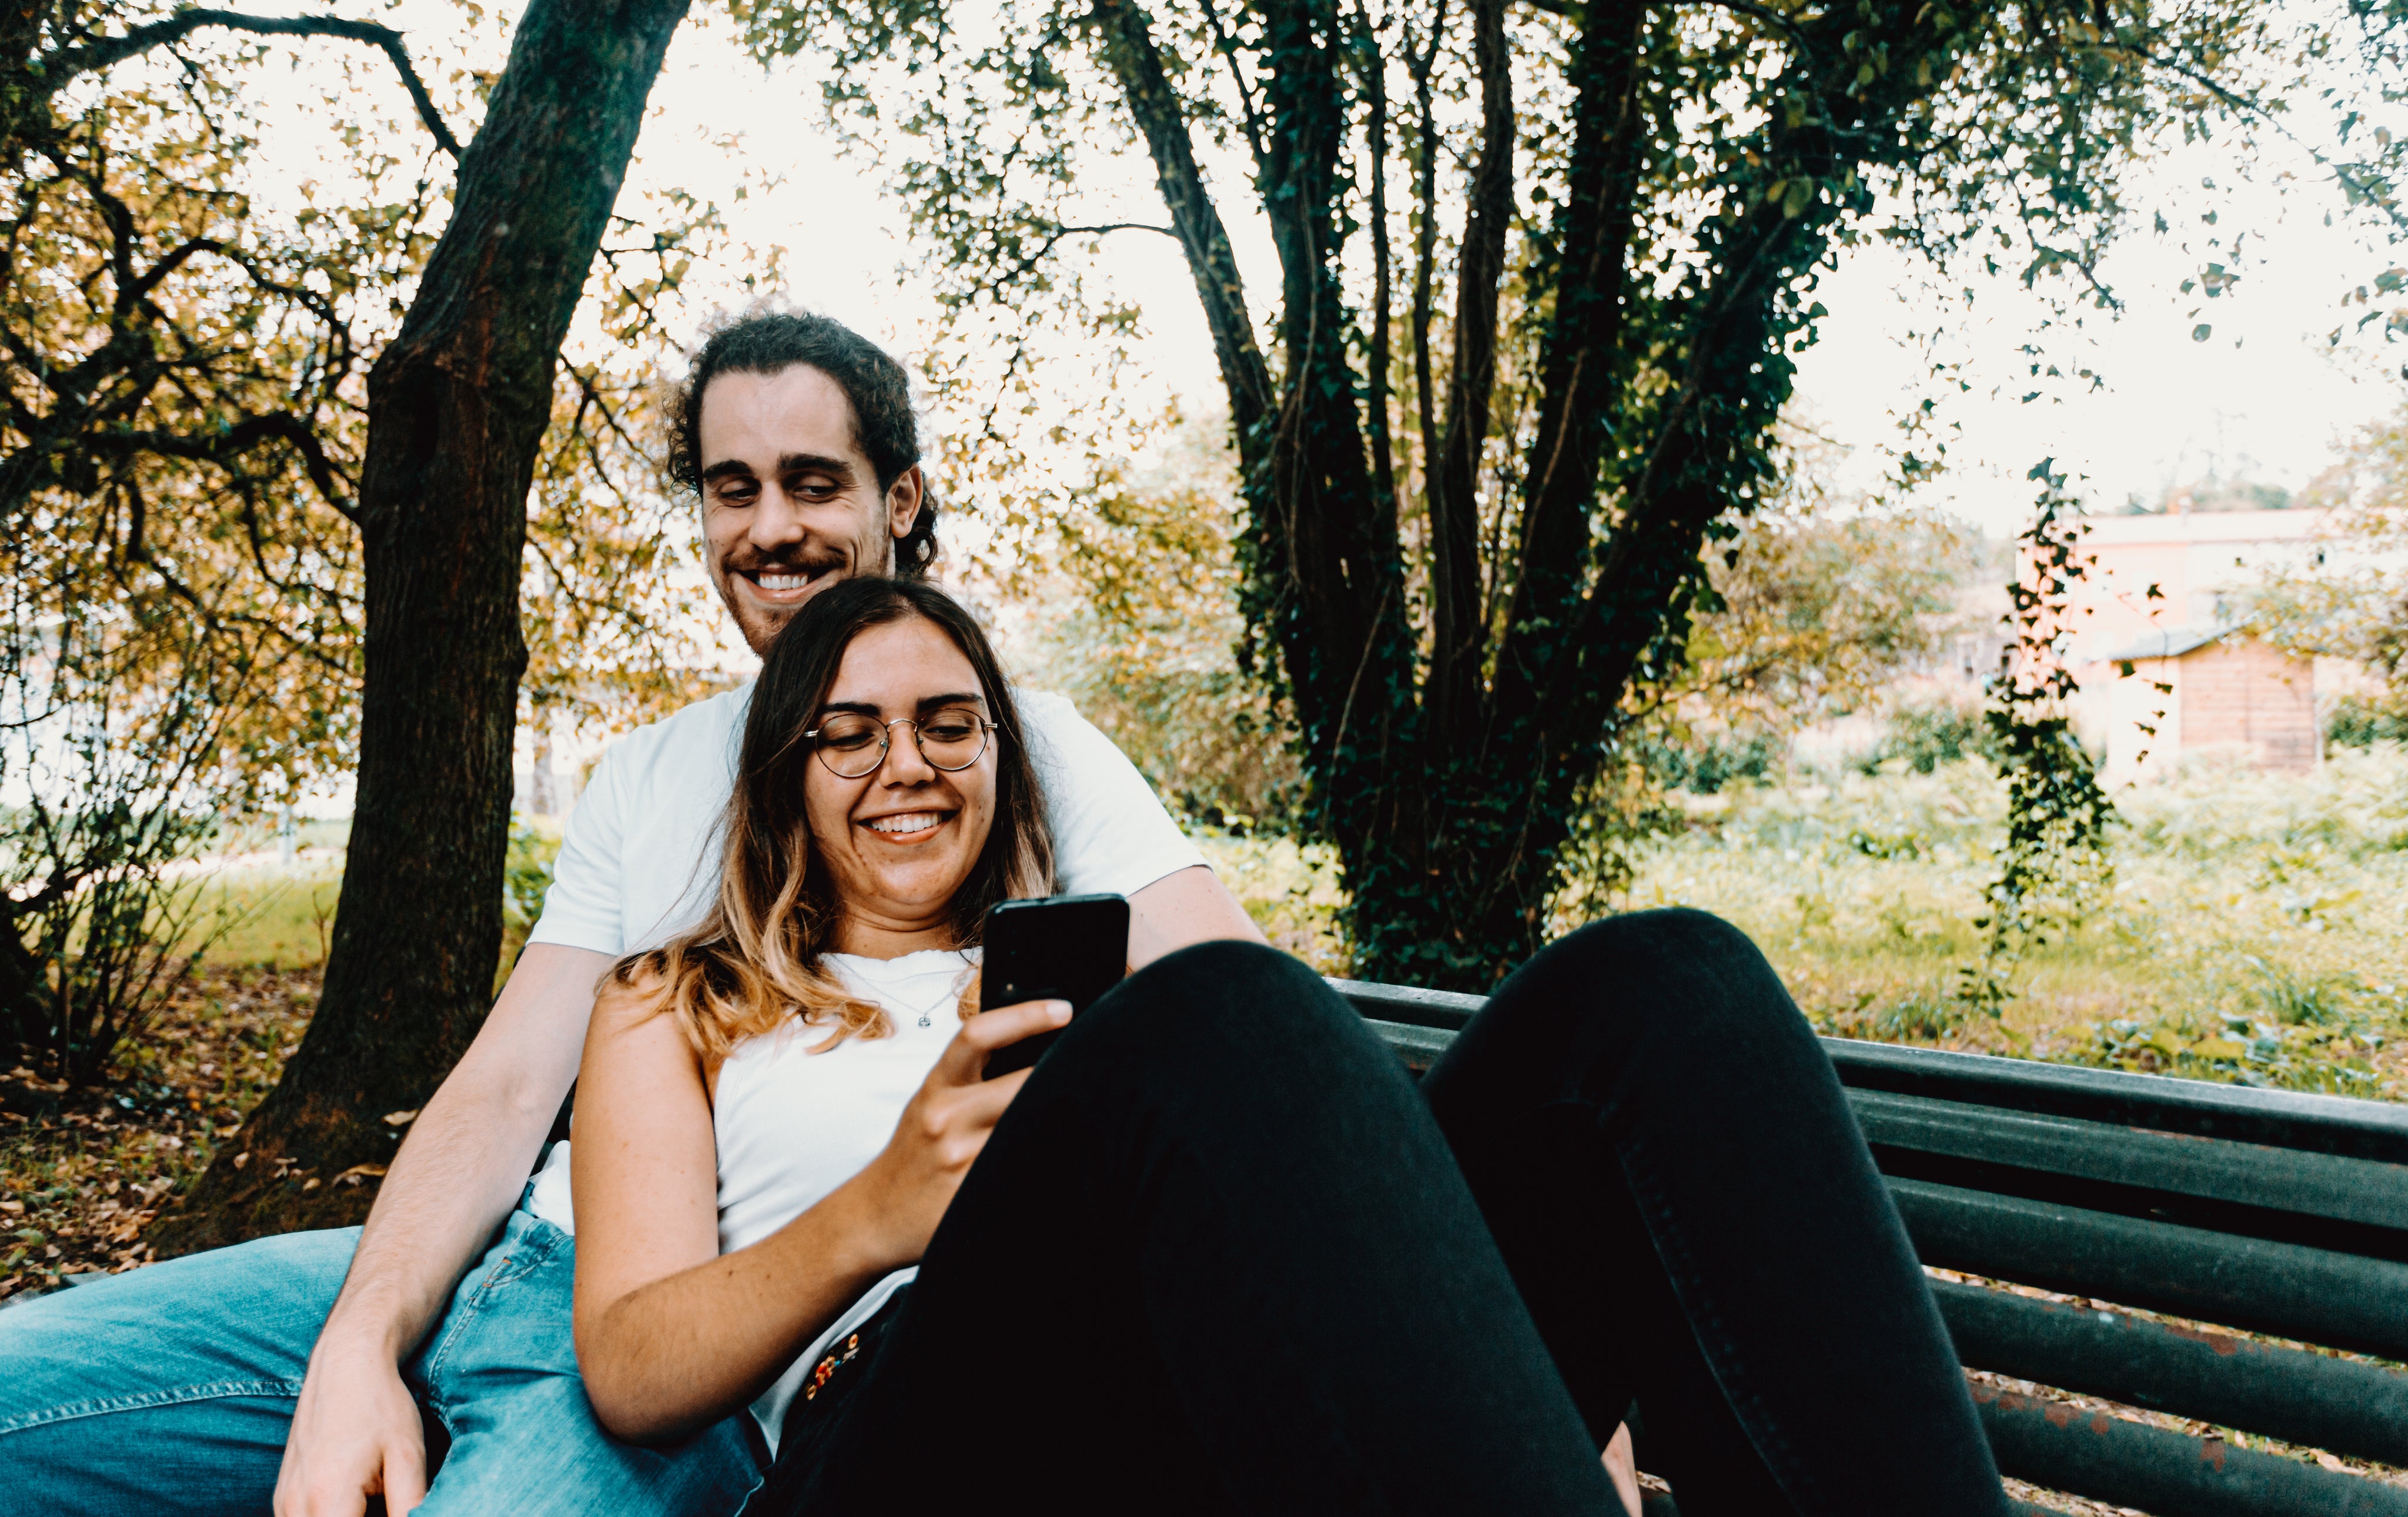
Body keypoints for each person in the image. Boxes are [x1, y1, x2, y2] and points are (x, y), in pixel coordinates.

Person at [0, 312, 1263, 1516]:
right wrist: (361, 1336)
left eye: (815, 482)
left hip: (684, 1359)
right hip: (514, 1254)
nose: (770, 527)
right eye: (732, 486)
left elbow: (1236, 1026)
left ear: (901, 500)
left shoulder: (1013, 748)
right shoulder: (650, 771)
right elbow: (502, 1092)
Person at [567, 574, 2009, 1516]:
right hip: (904, 1440)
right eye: (849, 734)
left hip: (1204, 1403)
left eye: (952, 725)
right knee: (1224, 1008)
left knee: (1661, 987)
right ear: (783, 775)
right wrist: (874, 1215)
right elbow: (630, 1362)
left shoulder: (1086, 967)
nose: (909, 764)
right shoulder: (678, 995)